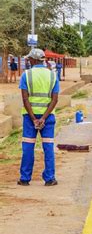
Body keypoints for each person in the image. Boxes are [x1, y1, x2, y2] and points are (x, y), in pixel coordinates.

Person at [17, 49, 59, 186]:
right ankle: (50, 178)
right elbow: (54, 100)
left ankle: (25, 178)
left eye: (29, 59)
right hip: (48, 117)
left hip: (30, 118)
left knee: (28, 147)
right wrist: (43, 118)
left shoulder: (26, 75)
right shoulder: (53, 76)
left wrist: (34, 118)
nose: (28, 61)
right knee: (48, 147)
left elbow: (25, 99)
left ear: (34, 60)